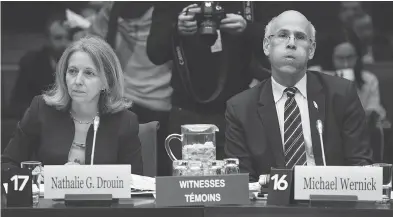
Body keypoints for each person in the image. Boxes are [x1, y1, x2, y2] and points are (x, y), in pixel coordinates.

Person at [225, 10, 373, 182]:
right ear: (266, 46)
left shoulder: (341, 94)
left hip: (330, 203)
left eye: (300, 37)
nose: (291, 43)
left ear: (311, 50)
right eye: (282, 35)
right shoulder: (241, 108)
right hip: (270, 206)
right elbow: (241, 182)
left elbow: (361, 166)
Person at [147, 2, 273, 160]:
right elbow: (155, 53)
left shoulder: (249, 4)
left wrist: (247, 28)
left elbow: (276, 46)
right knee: (188, 181)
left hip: (237, 111)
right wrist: (176, 29)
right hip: (187, 110)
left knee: (236, 180)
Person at [2, 36, 143, 175]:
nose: (78, 81)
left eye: (89, 73)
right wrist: (39, 175)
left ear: (106, 82)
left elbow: (135, 182)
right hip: (49, 198)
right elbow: (6, 165)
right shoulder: (41, 109)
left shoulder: (125, 121)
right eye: (72, 71)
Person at [89, 2, 173, 176]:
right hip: (139, 100)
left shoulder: (113, 8)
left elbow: (91, 45)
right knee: (151, 175)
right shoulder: (170, 8)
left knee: (125, 174)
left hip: (146, 101)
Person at [8, 12, 71, 119]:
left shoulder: (80, 64)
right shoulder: (31, 64)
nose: (64, 44)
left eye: (68, 38)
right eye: (58, 38)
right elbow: (17, 105)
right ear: (47, 40)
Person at [318, 27, 387, 123]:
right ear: (331, 57)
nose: (346, 64)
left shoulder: (369, 80)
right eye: (340, 58)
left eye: (350, 57)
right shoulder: (315, 77)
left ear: (357, 57)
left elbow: (374, 110)